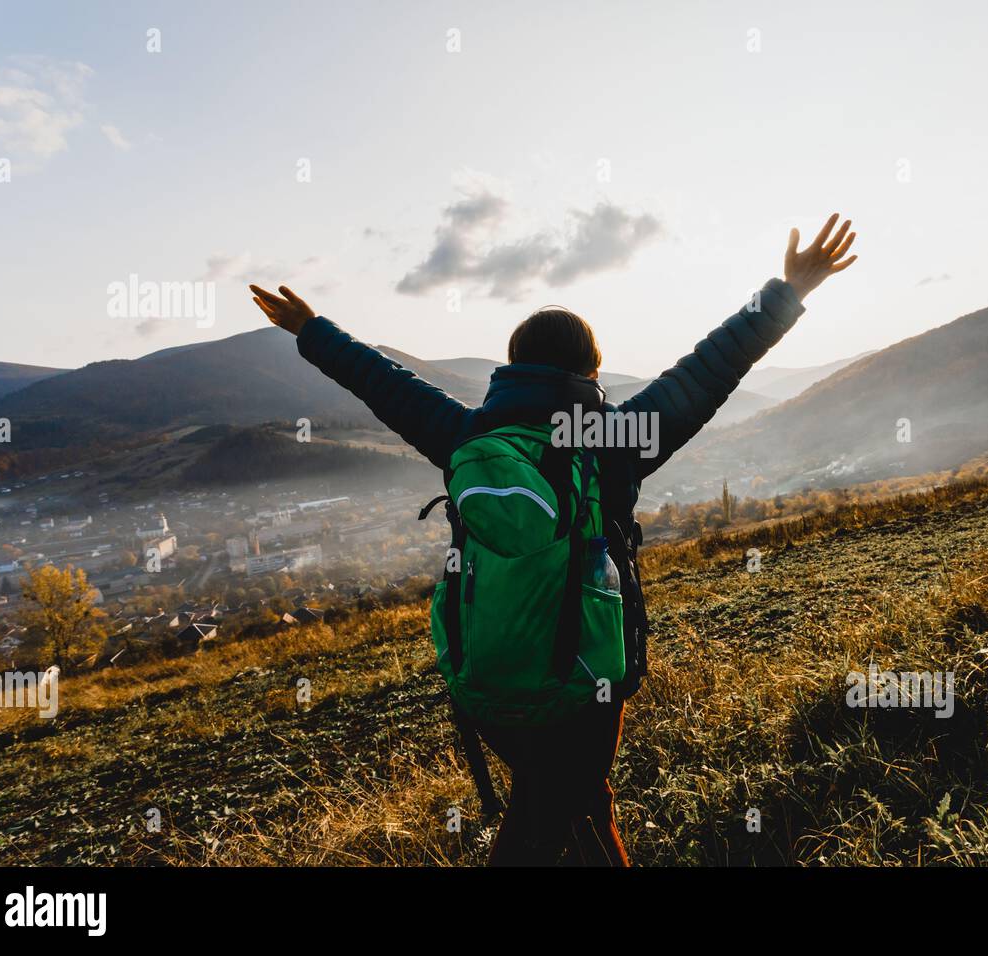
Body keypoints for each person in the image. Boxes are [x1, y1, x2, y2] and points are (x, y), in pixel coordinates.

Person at [250, 213, 857, 865]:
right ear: (591, 371)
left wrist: (311, 331)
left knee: (568, 799)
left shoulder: (465, 437)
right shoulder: (614, 441)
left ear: (510, 368)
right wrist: (789, 291)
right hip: (584, 681)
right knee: (558, 810)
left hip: (485, 678)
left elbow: (382, 382)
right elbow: (708, 370)